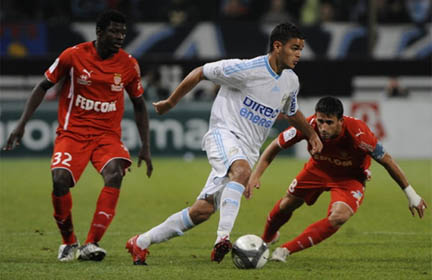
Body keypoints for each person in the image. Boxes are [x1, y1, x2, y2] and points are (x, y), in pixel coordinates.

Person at [125, 22, 323, 265]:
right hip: (223, 134)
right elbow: (200, 72)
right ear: (277, 46)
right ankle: (223, 238)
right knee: (240, 171)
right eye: (294, 48)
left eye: (301, 49)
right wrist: (170, 102)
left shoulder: (291, 81)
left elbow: (292, 112)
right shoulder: (245, 69)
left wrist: (312, 135)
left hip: (248, 150)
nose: (299, 54)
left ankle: (140, 242)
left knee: (202, 210)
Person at [3, 10, 153, 262]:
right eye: (114, 31)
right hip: (73, 133)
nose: (119, 37)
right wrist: (21, 124)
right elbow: (42, 87)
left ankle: (92, 243)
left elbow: (139, 104)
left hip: (107, 136)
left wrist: (145, 146)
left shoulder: (128, 64)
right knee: (60, 179)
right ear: (99, 32)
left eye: (123, 32)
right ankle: (69, 242)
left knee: (114, 173)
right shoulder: (72, 56)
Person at [247, 96, 427, 262]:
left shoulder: (359, 134)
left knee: (339, 216)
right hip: (317, 170)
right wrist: (256, 175)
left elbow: (387, 161)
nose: (323, 128)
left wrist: (411, 194)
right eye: (320, 121)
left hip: (349, 178)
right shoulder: (308, 125)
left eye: (329, 123)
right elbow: (275, 146)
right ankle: (266, 239)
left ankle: (285, 250)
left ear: (340, 121)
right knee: (287, 205)